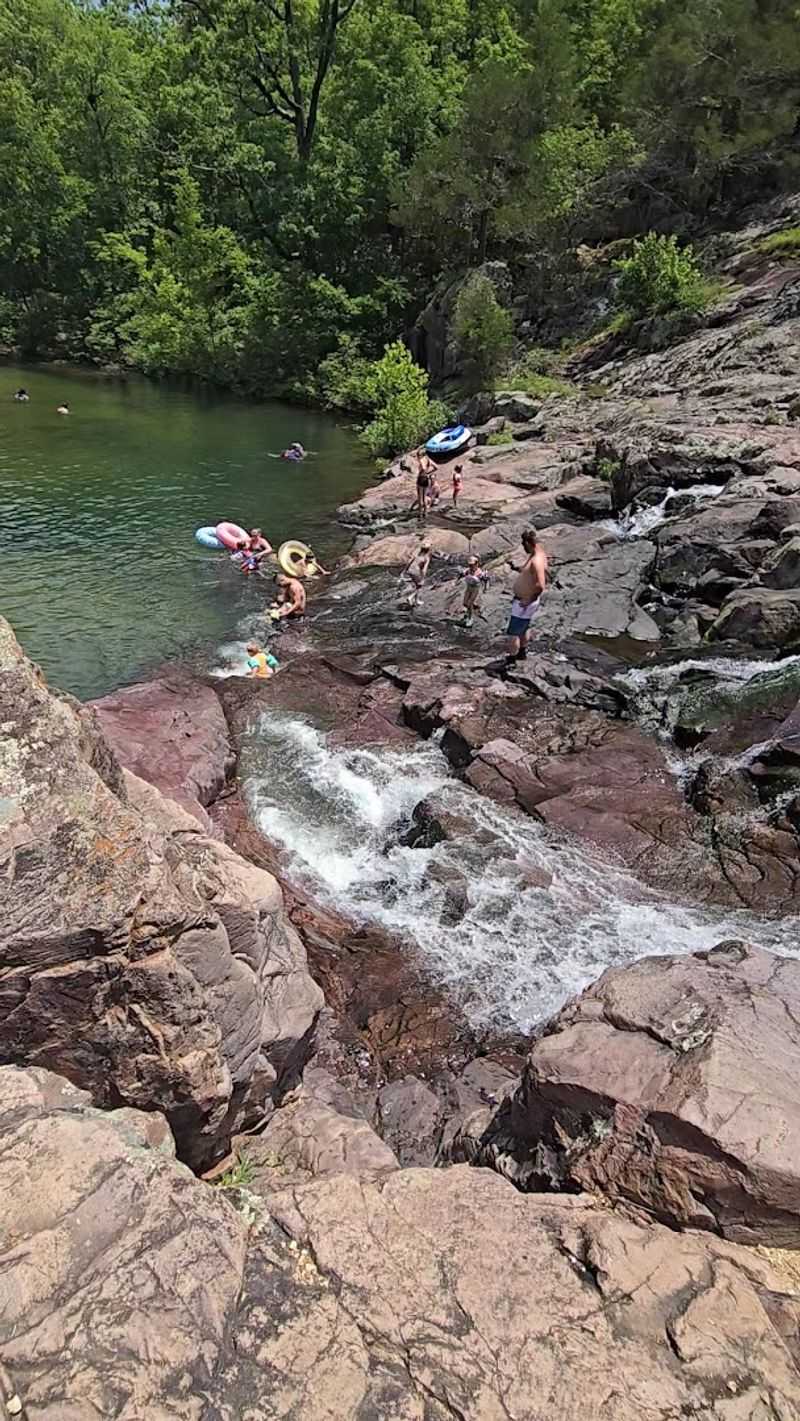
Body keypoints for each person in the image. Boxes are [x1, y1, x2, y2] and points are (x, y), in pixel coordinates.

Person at [506, 528, 548, 662]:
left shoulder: (536, 560)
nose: (523, 548)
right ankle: (522, 653)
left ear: (529, 543)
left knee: (513, 633)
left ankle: (511, 660)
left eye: (523, 545)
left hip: (525, 602)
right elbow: (530, 574)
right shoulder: (538, 553)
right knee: (524, 628)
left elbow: (541, 585)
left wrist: (528, 600)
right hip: (526, 601)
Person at [456, 554, 489, 629]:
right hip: (468, 588)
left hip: (475, 589)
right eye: (469, 565)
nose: (471, 566)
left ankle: (470, 619)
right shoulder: (468, 571)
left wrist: (485, 588)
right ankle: (468, 614)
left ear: (476, 564)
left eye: (472, 565)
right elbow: (461, 575)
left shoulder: (480, 573)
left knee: (470, 603)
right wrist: (456, 580)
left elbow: (486, 580)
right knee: (465, 603)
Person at [401, 541, 432, 608]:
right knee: (420, 585)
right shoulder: (426, 558)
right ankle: (410, 597)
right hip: (416, 571)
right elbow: (424, 569)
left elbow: (409, 562)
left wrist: (404, 570)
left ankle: (416, 600)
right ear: (428, 550)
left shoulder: (417, 554)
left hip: (410, 570)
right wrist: (423, 577)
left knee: (417, 585)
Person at [415, 454, 431, 521]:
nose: (417, 457)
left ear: (420, 455)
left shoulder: (421, 460)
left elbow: (423, 468)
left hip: (421, 479)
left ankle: (420, 514)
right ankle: (425, 513)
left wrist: (420, 473)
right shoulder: (428, 460)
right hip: (426, 479)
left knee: (420, 497)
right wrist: (427, 473)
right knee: (424, 497)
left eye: (417, 456)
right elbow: (436, 467)